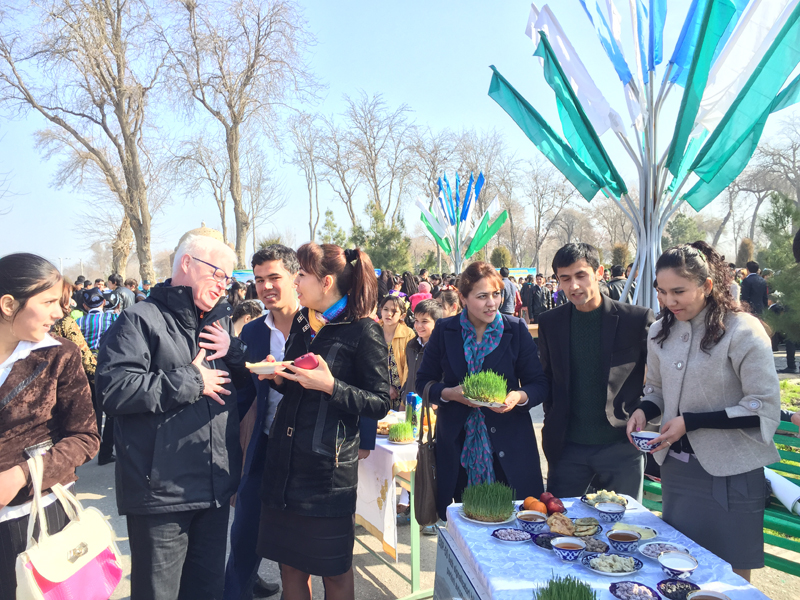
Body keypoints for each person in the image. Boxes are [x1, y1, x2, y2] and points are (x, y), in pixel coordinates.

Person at [97, 233, 248, 600]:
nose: (223, 286)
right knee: (159, 593)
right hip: (162, 494)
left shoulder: (219, 323)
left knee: (207, 590)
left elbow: (240, 387)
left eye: (229, 280)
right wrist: (192, 380)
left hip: (213, 490)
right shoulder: (139, 320)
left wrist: (236, 351)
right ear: (187, 264)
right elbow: (114, 390)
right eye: (219, 274)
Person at [626, 242, 781, 582]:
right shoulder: (659, 331)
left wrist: (690, 423)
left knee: (729, 581)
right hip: (679, 475)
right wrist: (643, 410)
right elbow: (657, 390)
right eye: (662, 292)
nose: (669, 301)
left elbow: (762, 408)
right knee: (679, 572)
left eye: (679, 291)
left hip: (734, 472)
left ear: (708, 286)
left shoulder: (743, 330)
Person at [256, 243, 390, 600]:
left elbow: (379, 401)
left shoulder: (363, 329)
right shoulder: (304, 320)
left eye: (300, 274)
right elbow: (299, 384)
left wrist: (331, 386)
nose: (295, 281)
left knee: (335, 572)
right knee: (290, 569)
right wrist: (280, 375)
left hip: (326, 473)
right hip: (285, 463)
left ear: (326, 281)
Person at [0, 253, 99, 600]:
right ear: (9, 304)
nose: (60, 312)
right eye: (49, 302)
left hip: (40, 514)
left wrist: (23, 474)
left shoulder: (59, 355)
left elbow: (86, 437)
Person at [415, 261, 548, 520]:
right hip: (457, 445)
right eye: (482, 296)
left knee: (515, 522)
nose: (492, 303)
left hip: (510, 445)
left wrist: (518, 397)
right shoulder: (445, 330)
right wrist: (450, 394)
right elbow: (423, 382)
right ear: (463, 298)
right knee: (465, 524)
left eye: (496, 294)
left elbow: (539, 384)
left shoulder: (516, 329)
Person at [538, 243, 654, 500]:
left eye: (581, 275)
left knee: (625, 527)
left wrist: (645, 413)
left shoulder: (635, 320)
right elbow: (547, 378)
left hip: (621, 445)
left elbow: (659, 376)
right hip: (567, 447)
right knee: (561, 527)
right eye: (565, 279)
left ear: (598, 272)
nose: (573, 286)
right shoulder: (551, 323)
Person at [224, 245, 300, 600]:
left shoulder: (320, 327)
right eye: (259, 280)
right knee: (244, 536)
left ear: (295, 277)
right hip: (264, 444)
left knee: (300, 554)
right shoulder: (253, 333)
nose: (266, 286)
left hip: (306, 454)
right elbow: (242, 393)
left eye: (274, 278)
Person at [401, 299, 443, 401]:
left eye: (424, 321)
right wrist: (403, 398)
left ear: (437, 323)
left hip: (430, 405)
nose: (419, 326)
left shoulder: (441, 348)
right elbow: (410, 376)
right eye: (416, 320)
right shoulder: (411, 346)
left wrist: (436, 399)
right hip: (411, 403)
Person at [379, 294, 416, 410]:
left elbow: (409, 368)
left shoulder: (408, 334)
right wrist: (384, 387)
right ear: (381, 310)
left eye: (394, 311)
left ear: (402, 315)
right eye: (386, 309)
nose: (388, 314)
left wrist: (404, 399)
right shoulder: (373, 331)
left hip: (401, 394)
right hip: (377, 391)